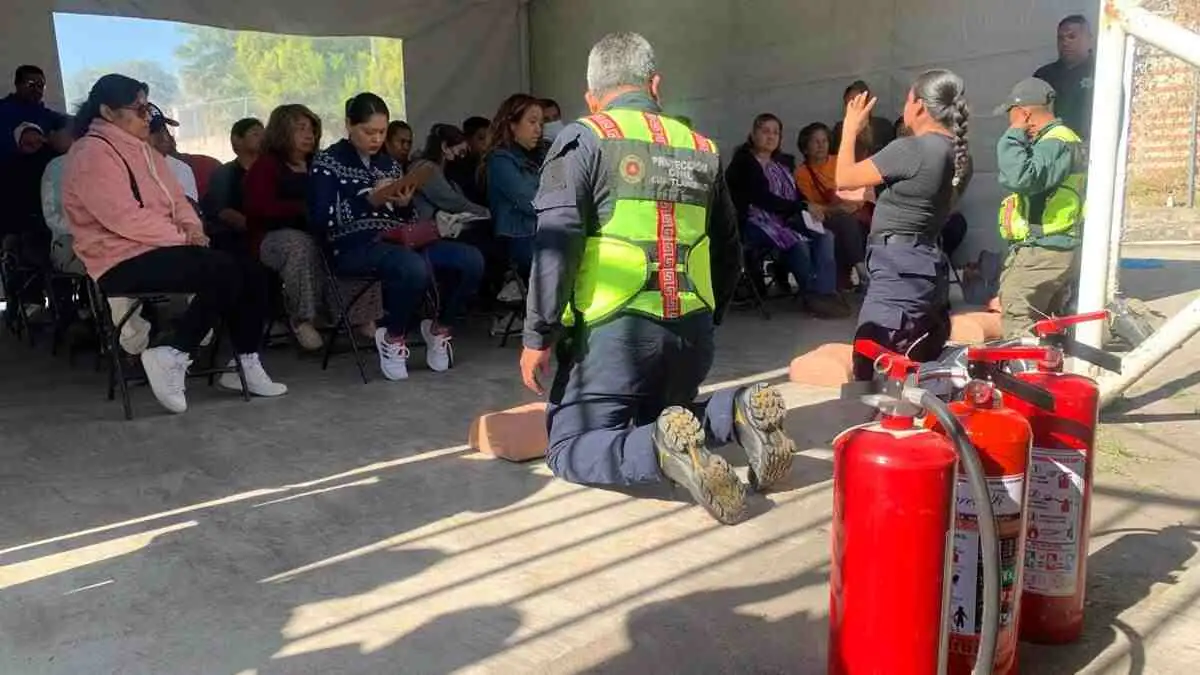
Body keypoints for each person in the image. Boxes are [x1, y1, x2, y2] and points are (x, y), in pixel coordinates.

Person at [520, 32, 794, 525]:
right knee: (669, 413)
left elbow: (556, 241)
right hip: (690, 337)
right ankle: (734, 412)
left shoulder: (584, 138)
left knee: (568, 445)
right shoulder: (701, 147)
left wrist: (537, 335)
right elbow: (730, 250)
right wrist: (711, 317)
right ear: (655, 84)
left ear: (591, 95)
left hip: (613, 337)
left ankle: (659, 453)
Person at [63, 74, 286, 414]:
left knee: (254, 271)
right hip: (118, 260)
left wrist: (193, 230)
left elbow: (179, 201)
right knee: (223, 271)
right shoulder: (91, 153)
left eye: (148, 107)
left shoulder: (145, 151)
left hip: (163, 249)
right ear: (108, 112)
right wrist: (183, 238)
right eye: (138, 109)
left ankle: (244, 362)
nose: (147, 116)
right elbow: (122, 218)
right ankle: (175, 352)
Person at [310, 93, 485, 381]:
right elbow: (320, 218)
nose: (376, 139)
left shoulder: (389, 164)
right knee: (410, 267)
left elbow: (409, 219)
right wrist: (370, 200)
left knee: (471, 260)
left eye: (381, 131)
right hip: (353, 247)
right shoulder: (327, 162)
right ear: (348, 125)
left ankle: (440, 328)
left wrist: (404, 206)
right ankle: (393, 337)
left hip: (399, 241)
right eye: (368, 131)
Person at [835, 69, 972, 381]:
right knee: (916, 364)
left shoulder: (910, 149)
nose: (904, 108)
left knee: (875, 362)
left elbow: (843, 177)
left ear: (920, 106)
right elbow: (933, 203)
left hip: (898, 271)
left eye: (907, 100)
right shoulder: (960, 155)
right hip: (928, 264)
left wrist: (849, 130)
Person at [245, 103, 380, 351]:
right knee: (301, 245)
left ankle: (360, 314)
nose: (309, 135)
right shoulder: (266, 166)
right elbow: (259, 209)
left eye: (312, 129)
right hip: (272, 238)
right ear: (281, 132)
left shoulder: (321, 163)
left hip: (318, 230)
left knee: (352, 237)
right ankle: (302, 319)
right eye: (301, 129)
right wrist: (303, 209)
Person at [726, 113, 846, 317]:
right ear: (753, 134)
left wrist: (808, 205)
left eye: (776, 132)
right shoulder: (743, 163)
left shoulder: (780, 164)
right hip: (753, 223)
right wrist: (801, 206)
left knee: (826, 235)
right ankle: (811, 295)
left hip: (784, 218)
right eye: (765, 131)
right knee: (797, 242)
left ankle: (826, 293)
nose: (771, 136)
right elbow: (762, 198)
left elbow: (795, 195)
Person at [994, 78, 1087, 338]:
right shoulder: (1056, 140)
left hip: (1047, 248)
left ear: (1023, 114)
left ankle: (1025, 373)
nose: (1008, 122)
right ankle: (1046, 372)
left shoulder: (1056, 142)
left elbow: (1021, 177)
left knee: (1017, 316)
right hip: (1048, 246)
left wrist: (1013, 136)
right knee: (1046, 325)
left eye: (1010, 116)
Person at [794, 121, 868, 291]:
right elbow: (814, 207)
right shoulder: (802, 173)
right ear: (805, 148)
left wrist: (853, 205)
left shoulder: (840, 162)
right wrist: (838, 209)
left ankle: (856, 273)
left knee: (856, 225)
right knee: (844, 222)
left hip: (852, 212)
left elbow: (858, 189)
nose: (821, 145)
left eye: (825, 141)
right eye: (816, 141)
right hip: (825, 219)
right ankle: (861, 270)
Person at [482, 94, 543, 279]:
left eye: (541, 124)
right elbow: (530, 201)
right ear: (512, 125)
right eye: (532, 122)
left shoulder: (538, 157)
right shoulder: (501, 160)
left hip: (541, 233)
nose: (538, 130)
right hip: (519, 238)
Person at [202, 117, 263, 253]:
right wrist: (256, 228)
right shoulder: (224, 173)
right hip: (237, 237)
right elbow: (223, 211)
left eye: (264, 134)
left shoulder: (272, 170)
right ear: (237, 140)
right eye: (255, 134)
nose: (262, 138)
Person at [410, 124, 491, 221]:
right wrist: (486, 212)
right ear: (444, 147)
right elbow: (452, 202)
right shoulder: (427, 168)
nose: (462, 157)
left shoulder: (439, 170)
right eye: (461, 152)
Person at [1034, 15, 1095, 141]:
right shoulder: (1044, 75)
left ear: (1089, 40)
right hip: (1050, 151)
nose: (1065, 42)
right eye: (1060, 38)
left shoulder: (1103, 73)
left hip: (1091, 150)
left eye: (1072, 37)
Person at [0, 65, 67, 158]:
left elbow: (71, 122)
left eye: (40, 86)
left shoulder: (47, 115)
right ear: (17, 84)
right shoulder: (3, 109)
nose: (37, 90)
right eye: (31, 85)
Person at [145, 103, 199, 203]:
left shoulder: (180, 170)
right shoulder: (119, 171)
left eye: (165, 130)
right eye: (153, 132)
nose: (165, 138)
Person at [830, 80, 897, 160]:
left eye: (859, 100)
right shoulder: (839, 130)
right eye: (851, 102)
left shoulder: (884, 126)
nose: (855, 105)